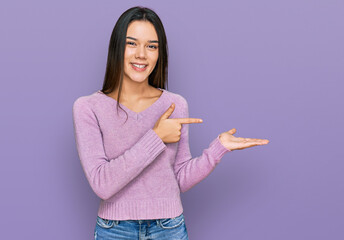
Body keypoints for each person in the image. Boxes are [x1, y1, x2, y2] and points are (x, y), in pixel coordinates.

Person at [72, 6, 269, 240]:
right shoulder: (88, 107)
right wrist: (156, 137)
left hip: (169, 228)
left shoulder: (175, 104)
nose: (141, 55)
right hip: (115, 230)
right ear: (117, 47)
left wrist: (218, 149)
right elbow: (102, 184)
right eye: (131, 43)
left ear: (160, 53)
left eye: (151, 46)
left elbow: (179, 180)